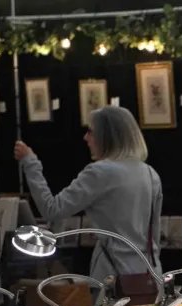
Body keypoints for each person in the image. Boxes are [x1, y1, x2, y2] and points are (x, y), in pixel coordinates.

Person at [14, 106, 162, 282]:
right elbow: (154, 234)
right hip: (149, 275)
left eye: (91, 132)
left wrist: (30, 162)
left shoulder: (100, 172)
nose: (85, 138)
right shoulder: (150, 173)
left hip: (113, 278)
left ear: (106, 136)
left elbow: (52, 209)